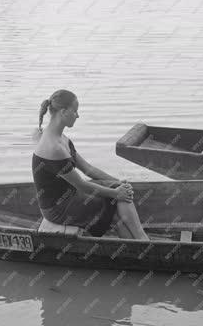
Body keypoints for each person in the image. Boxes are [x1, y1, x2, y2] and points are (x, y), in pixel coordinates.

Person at [33, 89, 150, 240]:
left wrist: (118, 183)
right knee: (115, 209)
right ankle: (142, 242)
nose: (78, 115)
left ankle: (140, 241)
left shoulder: (62, 138)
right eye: (75, 111)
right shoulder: (54, 148)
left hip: (70, 193)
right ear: (63, 112)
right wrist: (116, 193)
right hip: (57, 208)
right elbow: (82, 185)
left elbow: (88, 169)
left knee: (118, 196)